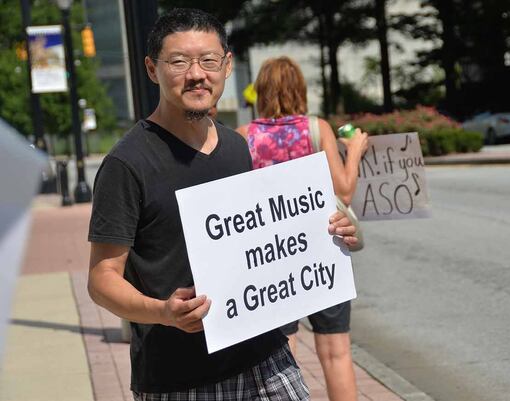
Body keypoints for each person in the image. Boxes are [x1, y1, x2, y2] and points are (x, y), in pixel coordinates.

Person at [87, 9, 359, 401]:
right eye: (179, 62)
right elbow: (101, 280)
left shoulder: (237, 146)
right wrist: (163, 311)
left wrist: (327, 230)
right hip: (181, 378)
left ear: (227, 66)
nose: (197, 73)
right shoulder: (126, 164)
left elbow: (263, 237)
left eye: (208, 60)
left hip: (268, 359)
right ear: (152, 69)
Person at [236, 56, 368, 401]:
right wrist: (353, 152)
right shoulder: (316, 128)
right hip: (323, 246)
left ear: (261, 92)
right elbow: (343, 190)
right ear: (300, 90)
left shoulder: (245, 136)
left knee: (281, 351)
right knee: (336, 348)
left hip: (272, 255)